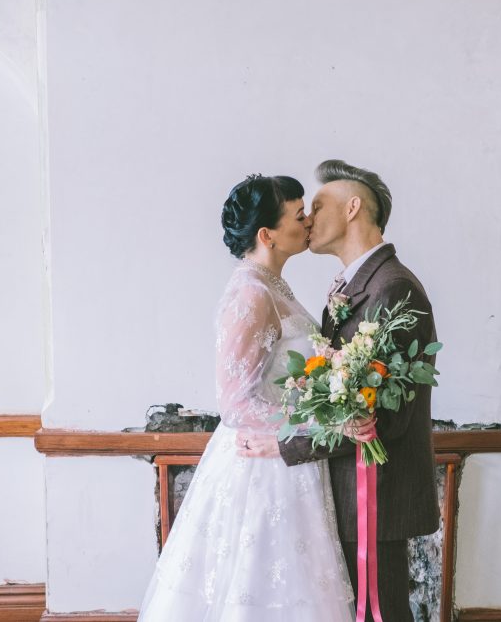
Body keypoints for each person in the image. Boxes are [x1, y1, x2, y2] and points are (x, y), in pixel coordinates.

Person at [138, 174, 354, 621]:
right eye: (299, 215)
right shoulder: (252, 293)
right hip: (264, 466)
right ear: (266, 235)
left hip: (290, 461)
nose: (309, 221)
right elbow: (236, 403)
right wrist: (319, 425)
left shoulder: (272, 285)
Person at [239, 160, 440, 622]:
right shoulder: (352, 288)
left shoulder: (395, 289)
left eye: (317, 205)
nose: (308, 218)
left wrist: (283, 442)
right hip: (345, 488)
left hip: (375, 496)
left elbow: (382, 420)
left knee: (381, 615)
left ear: (353, 208)